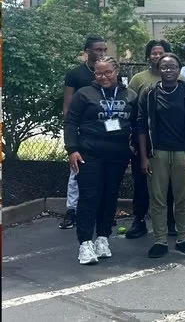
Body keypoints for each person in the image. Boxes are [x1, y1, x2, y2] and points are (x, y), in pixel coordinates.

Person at [64, 57, 137, 265]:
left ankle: (103, 238)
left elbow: (137, 124)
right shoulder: (84, 94)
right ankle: (85, 243)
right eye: (98, 73)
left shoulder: (129, 95)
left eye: (107, 73)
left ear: (117, 71)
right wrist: (72, 149)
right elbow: (70, 122)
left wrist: (134, 146)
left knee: (109, 197)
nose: (103, 77)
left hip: (118, 155)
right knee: (90, 197)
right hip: (89, 154)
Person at [138, 53, 185, 258]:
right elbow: (140, 124)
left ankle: (183, 237)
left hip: (183, 152)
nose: (168, 71)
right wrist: (144, 156)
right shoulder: (149, 93)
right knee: (158, 199)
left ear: (179, 69)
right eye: (164, 67)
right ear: (158, 69)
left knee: (183, 198)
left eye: (172, 67)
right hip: (158, 153)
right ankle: (160, 240)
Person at [126, 40, 178, 239]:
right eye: (154, 53)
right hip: (143, 140)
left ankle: (170, 221)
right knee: (142, 182)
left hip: (171, 140)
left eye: (161, 53)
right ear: (148, 56)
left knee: (171, 184)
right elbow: (130, 110)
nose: (157, 57)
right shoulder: (139, 79)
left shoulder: (179, 78)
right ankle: (139, 220)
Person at [59, 35, 108, 230]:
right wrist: (72, 132)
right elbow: (67, 107)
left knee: (103, 172)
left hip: (105, 132)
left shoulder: (110, 73)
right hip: (82, 131)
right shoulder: (75, 74)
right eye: (98, 49)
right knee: (76, 170)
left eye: (104, 50)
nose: (102, 53)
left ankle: (102, 212)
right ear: (87, 51)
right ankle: (72, 210)